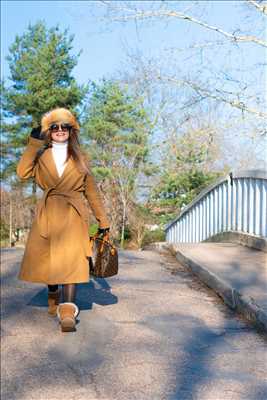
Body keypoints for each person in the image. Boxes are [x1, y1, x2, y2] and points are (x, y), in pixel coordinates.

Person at [16, 107, 110, 332]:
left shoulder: (81, 158)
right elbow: (22, 172)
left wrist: (103, 220)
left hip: (73, 216)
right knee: (50, 262)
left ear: (72, 131)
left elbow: (92, 192)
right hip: (47, 215)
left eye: (64, 127)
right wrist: (33, 143)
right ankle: (53, 293)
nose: (59, 130)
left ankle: (67, 311)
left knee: (72, 261)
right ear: (49, 131)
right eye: (54, 127)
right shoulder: (41, 156)